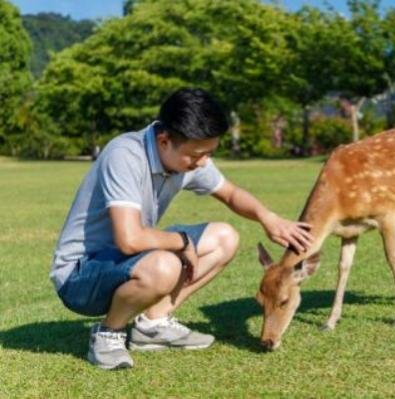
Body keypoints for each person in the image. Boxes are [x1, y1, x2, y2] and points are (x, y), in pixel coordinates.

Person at [50, 88, 313, 370]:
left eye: (210, 153)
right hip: (80, 276)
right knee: (165, 265)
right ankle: (108, 335)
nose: (203, 163)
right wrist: (182, 241)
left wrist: (267, 217)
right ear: (164, 141)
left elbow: (231, 194)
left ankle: (153, 325)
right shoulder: (125, 155)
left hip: (125, 261)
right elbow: (129, 239)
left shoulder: (186, 157)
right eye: (198, 156)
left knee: (225, 238)